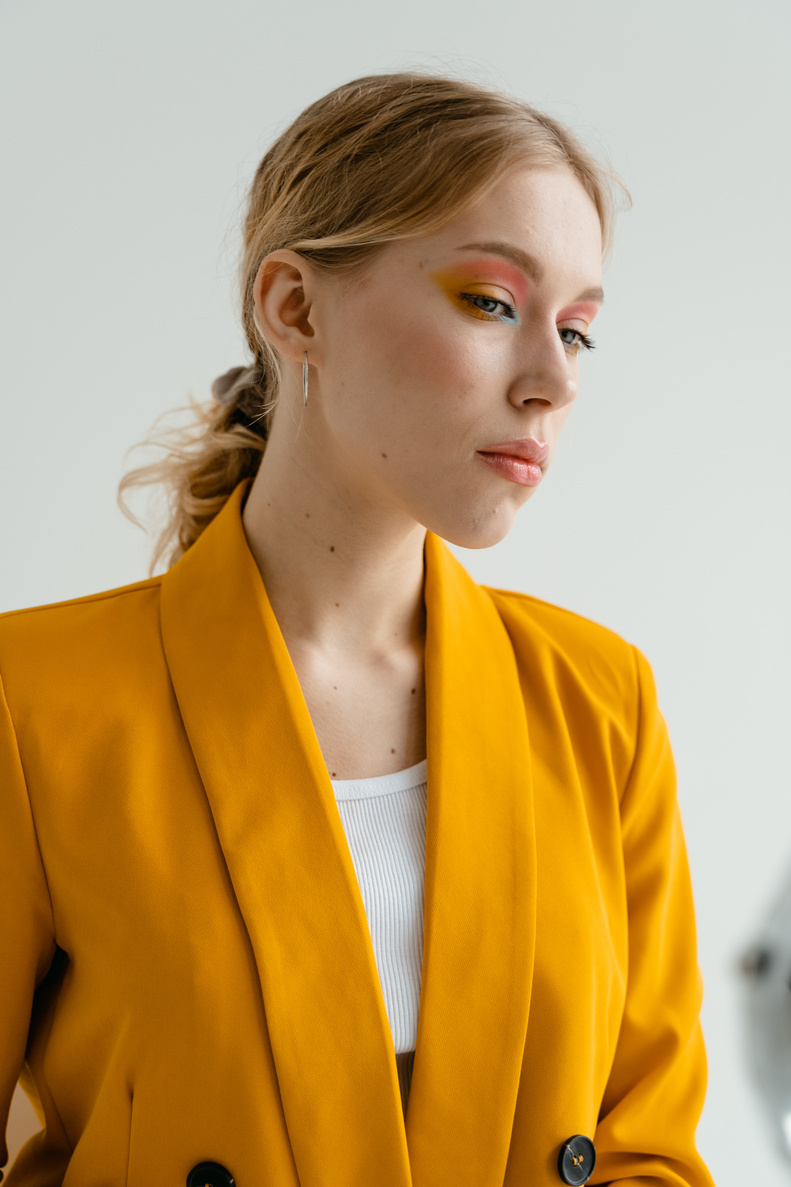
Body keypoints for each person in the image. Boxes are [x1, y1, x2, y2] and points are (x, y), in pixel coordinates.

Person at [0, 72, 715, 1187]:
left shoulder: (598, 697)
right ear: (293, 308)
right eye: (491, 302)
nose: (549, 382)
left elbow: (647, 1144)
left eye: (577, 331)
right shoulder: (33, 699)